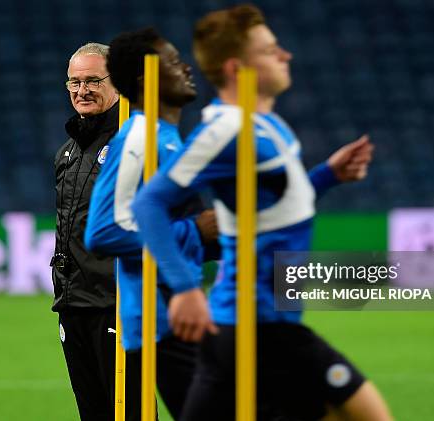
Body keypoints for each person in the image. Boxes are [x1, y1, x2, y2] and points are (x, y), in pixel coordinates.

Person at [132, 5, 393, 421]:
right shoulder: (223, 132)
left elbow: (278, 202)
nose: (285, 56)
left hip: (253, 326)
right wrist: (183, 288)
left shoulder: (267, 125)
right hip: (257, 325)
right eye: (271, 50)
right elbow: (148, 203)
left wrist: (328, 175)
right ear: (238, 68)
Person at [84, 28, 218, 421]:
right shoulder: (141, 137)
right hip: (162, 316)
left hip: (185, 308)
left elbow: (176, 227)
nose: (187, 68)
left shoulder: (169, 138)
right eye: (174, 62)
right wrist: (195, 231)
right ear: (147, 79)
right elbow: (103, 231)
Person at [51, 42, 120, 421]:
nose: (82, 90)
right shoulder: (67, 153)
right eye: (74, 82)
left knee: (130, 412)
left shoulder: (136, 146)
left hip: (117, 306)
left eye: (93, 80)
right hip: (72, 305)